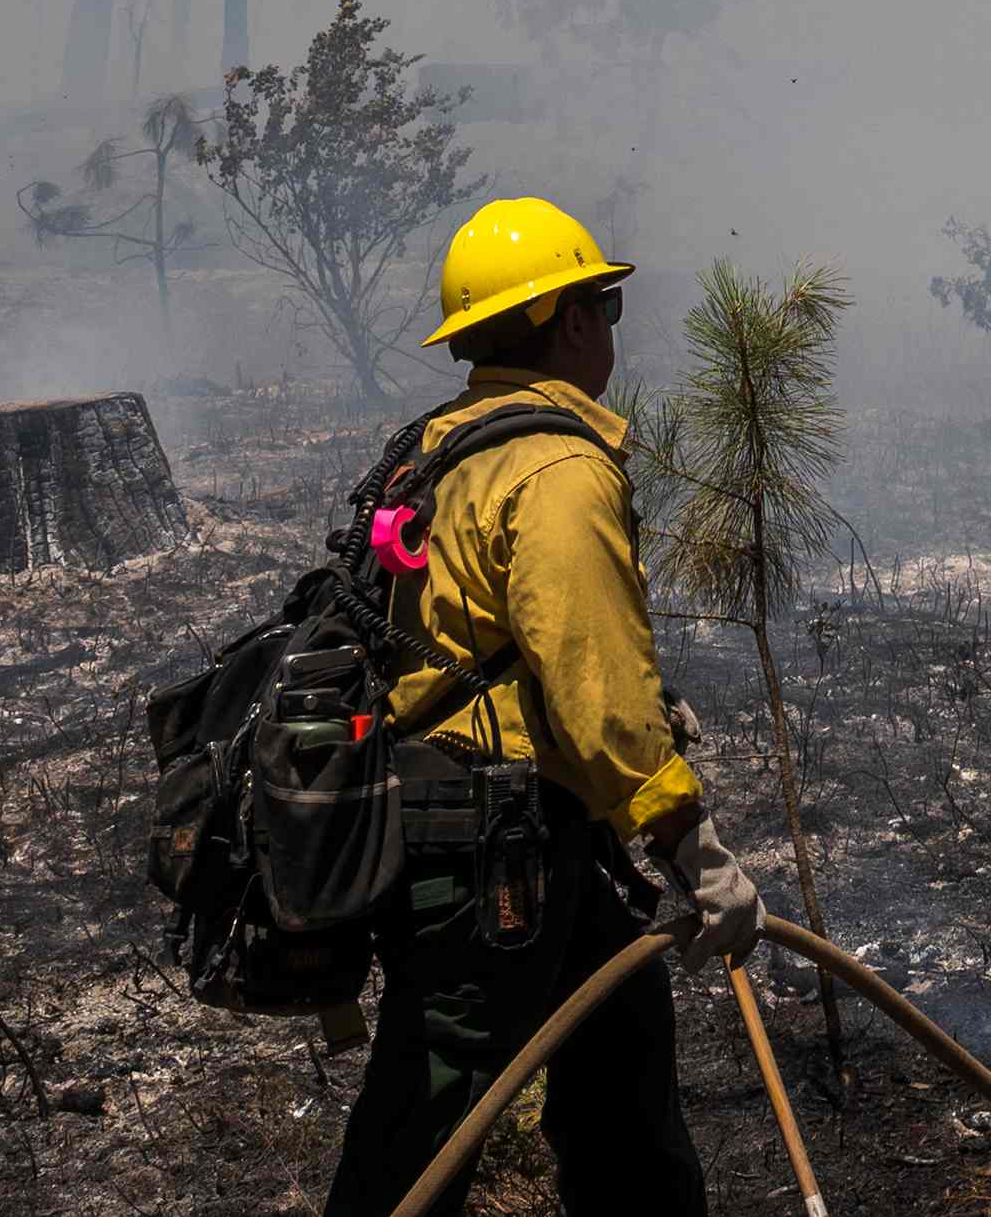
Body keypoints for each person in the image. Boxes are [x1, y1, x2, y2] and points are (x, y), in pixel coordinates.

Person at [325, 197, 767, 1217]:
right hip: (492, 862)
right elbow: (593, 685)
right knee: (421, 1136)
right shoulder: (558, 466)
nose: (609, 327)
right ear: (568, 322)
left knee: (624, 1093)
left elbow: (487, 641)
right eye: (602, 305)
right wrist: (693, 850)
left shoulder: (436, 447)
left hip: (520, 836)